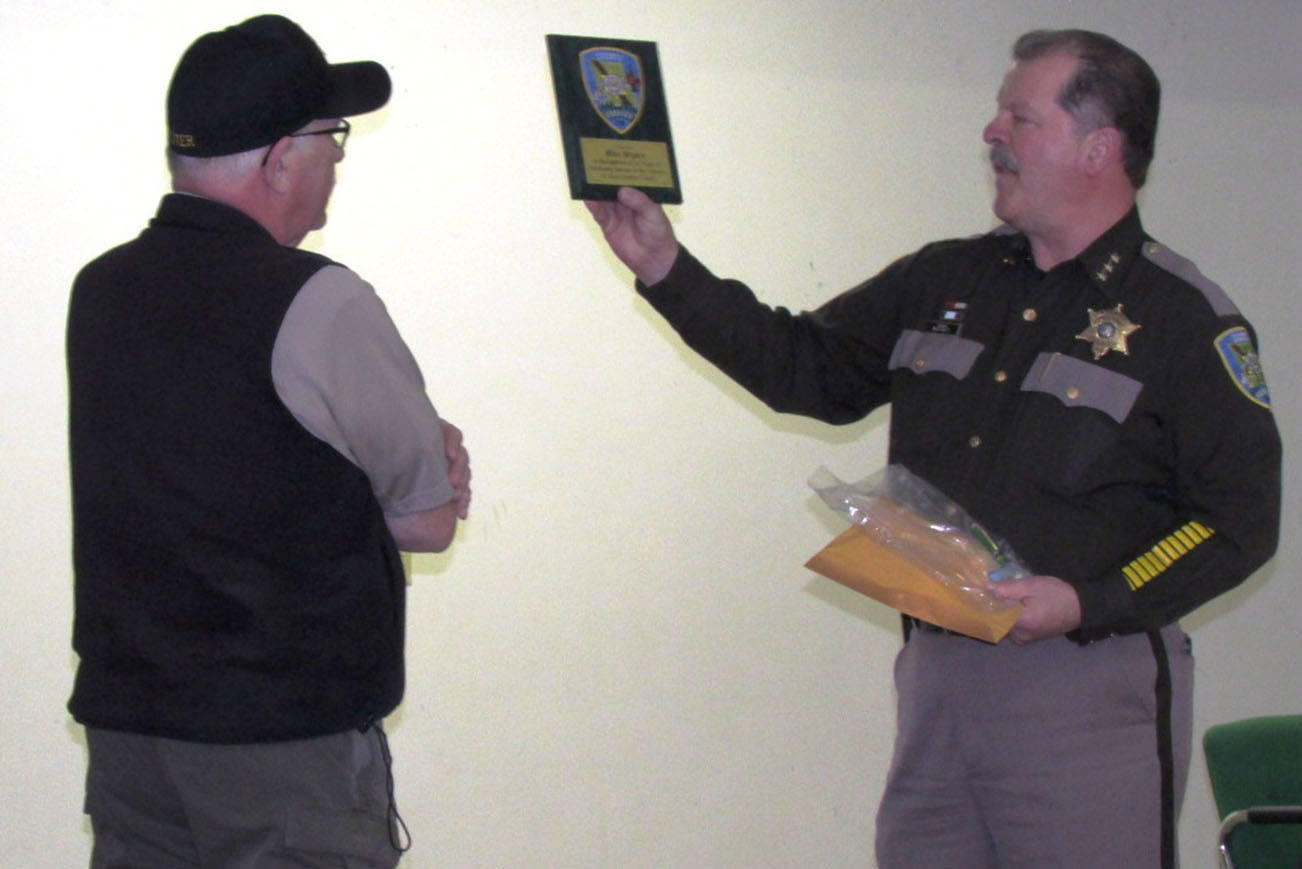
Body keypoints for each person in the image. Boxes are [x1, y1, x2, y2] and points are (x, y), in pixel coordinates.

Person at [586, 28, 1279, 869]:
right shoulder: (945, 280)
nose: (992, 133)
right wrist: (667, 269)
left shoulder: (1182, 319)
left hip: (1083, 686)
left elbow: (1236, 523)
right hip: (937, 683)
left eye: (1019, 118)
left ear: (1098, 148)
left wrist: (1089, 599)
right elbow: (805, 368)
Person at [66, 15, 470, 868]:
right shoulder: (320, 301)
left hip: (133, 739)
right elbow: (428, 519)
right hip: (283, 752)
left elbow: (193, 488)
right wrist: (393, 487)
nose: (338, 164)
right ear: (282, 158)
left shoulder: (99, 292)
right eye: (335, 139)